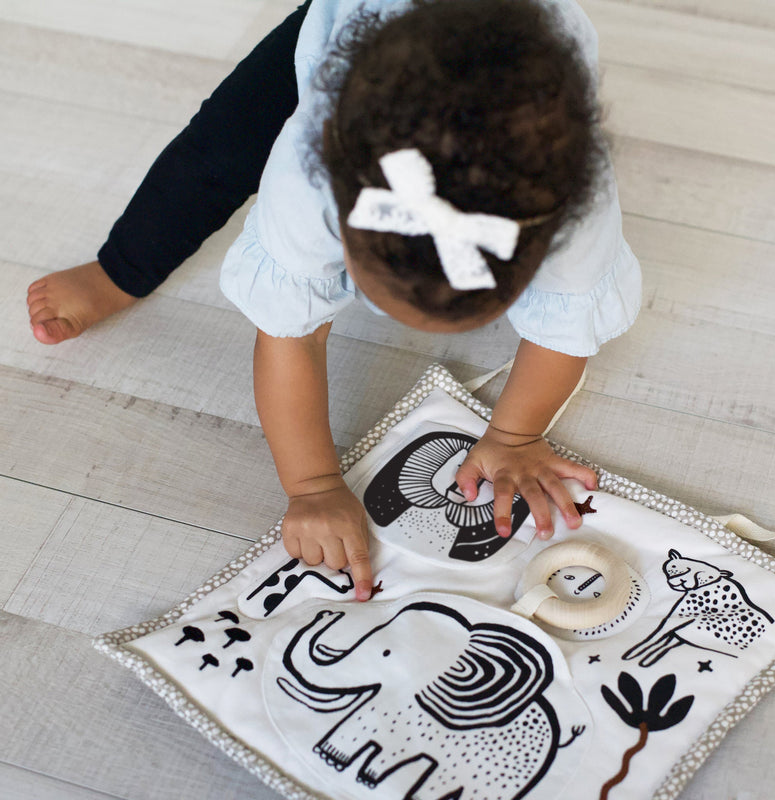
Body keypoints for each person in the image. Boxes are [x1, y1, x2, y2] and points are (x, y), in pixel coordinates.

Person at [26, 0, 641, 603]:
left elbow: (564, 325)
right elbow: (290, 335)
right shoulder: (310, 173)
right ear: (338, 219)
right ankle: (119, 270)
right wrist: (313, 484)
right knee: (220, 150)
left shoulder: (567, 200)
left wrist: (514, 436)